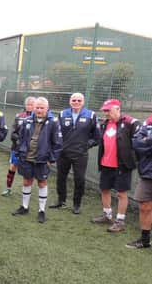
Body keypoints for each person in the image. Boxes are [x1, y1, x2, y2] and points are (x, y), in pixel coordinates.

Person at [12, 97, 63, 223]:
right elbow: (21, 137)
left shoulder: (53, 122)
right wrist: (20, 152)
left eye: (42, 108)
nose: (39, 110)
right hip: (27, 158)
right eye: (37, 107)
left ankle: (41, 210)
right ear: (34, 108)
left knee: (42, 183)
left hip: (42, 159)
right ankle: (24, 207)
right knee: (27, 181)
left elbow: (58, 143)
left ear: (47, 108)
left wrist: (51, 159)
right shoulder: (27, 120)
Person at [92, 99, 140, 232]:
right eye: (105, 110)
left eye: (109, 110)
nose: (106, 113)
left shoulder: (131, 123)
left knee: (121, 193)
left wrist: (131, 160)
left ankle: (120, 221)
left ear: (118, 109)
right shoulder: (104, 124)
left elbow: (139, 144)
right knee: (104, 189)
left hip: (122, 165)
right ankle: (107, 215)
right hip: (106, 164)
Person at [49, 93, 101, 214]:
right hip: (63, 153)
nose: (76, 102)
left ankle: (76, 204)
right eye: (74, 100)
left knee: (79, 179)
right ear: (70, 101)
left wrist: (86, 145)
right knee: (61, 177)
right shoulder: (62, 114)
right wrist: (58, 146)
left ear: (83, 102)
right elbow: (57, 132)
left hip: (80, 154)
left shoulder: (91, 115)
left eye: (79, 100)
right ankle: (60, 200)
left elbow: (97, 136)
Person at [1, 96, 36, 197]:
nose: (29, 106)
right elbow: (13, 133)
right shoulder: (19, 116)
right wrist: (20, 140)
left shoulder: (38, 118)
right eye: (28, 104)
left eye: (31, 105)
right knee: (13, 166)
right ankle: (8, 188)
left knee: (29, 170)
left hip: (30, 150)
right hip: (17, 148)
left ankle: (27, 190)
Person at [126, 113, 152, 249]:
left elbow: (143, 142)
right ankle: (145, 239)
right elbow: (136, 143)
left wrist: (147, 141)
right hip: (148, 171)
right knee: (144, 206)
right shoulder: (148, 121)